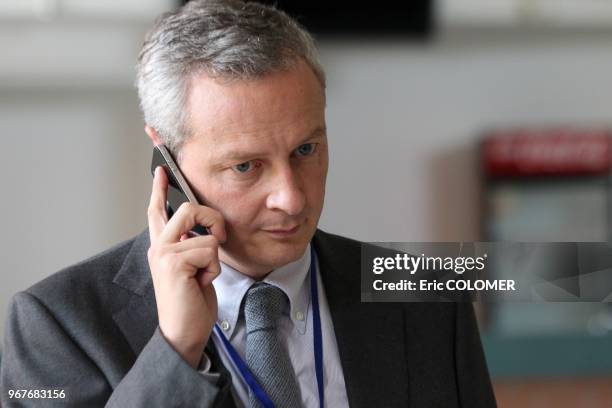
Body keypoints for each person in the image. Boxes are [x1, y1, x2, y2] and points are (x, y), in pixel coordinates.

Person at [0, 0, 496, 407]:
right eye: (245, 166)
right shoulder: (57, 325)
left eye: (306, 150)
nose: (291, 197)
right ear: (166, 161)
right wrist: (175, 350)